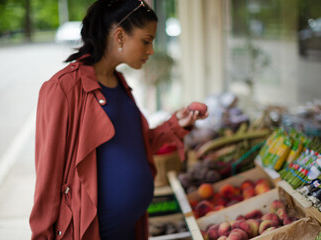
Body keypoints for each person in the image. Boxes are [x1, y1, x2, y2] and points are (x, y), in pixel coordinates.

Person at [29, 0, 208, 239]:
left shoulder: (120, 83)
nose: (151, 50)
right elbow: (47, 177)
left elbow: (134, 145)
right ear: (120, 36)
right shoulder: (63, 88)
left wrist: (177, 125)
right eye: (146, 40)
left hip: (131, 228)